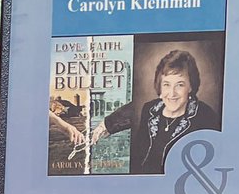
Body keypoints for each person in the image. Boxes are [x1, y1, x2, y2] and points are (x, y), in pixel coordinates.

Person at [91, 49, 219, 174]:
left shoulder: (205, 116)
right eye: (166, 85)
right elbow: (137, 156)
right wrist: (107, 124)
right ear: (160, 86)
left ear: (191, 86)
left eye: (180, 85)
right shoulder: (149, 109)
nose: (172, 93)